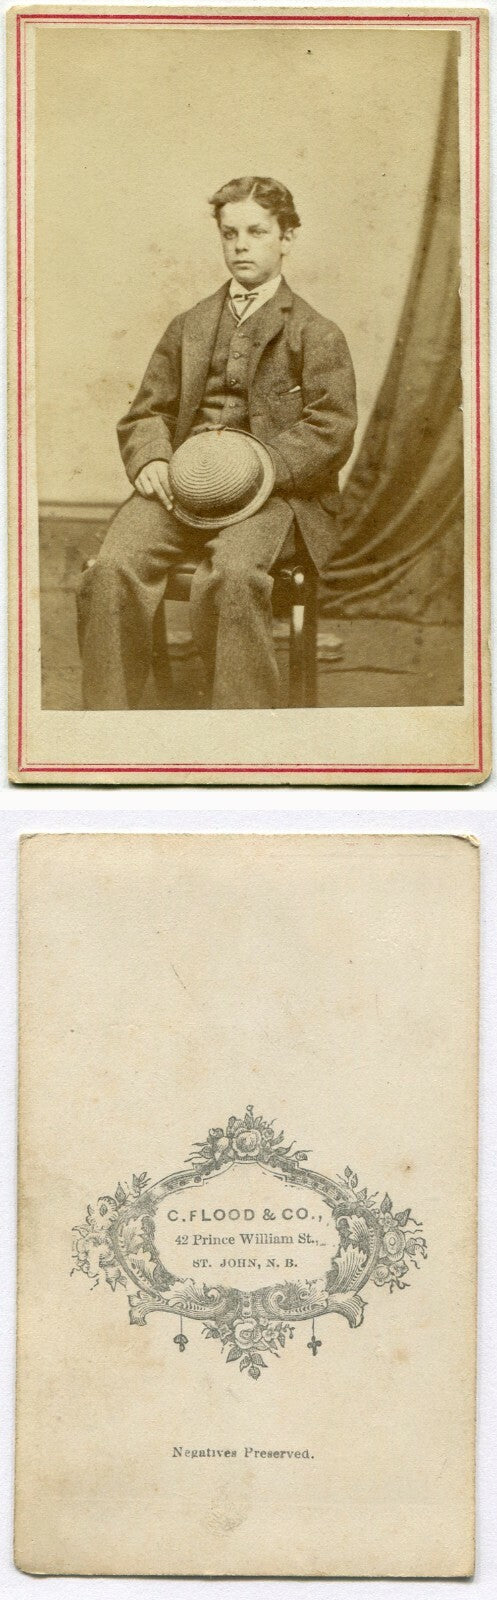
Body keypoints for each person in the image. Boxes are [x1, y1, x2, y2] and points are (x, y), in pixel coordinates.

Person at [77, 175, 357, 709]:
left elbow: (332, 427)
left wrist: (258, 470)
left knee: (232, 578)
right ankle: (104, 732)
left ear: (287, 237)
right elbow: (146, 411)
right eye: (230, 234)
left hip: (273, 496)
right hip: (181, 489)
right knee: (111, 571)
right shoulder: (190, 325)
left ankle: (243, 735)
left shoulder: (316, 332)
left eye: (256, 231)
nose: (241, 245)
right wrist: (153, 458)